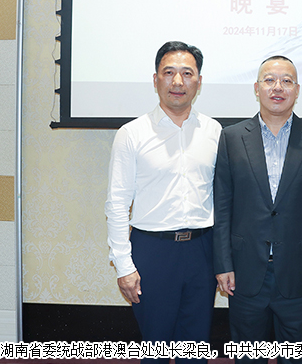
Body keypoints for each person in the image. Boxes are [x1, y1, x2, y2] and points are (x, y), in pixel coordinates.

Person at [213, 56, 302, 364]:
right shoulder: (231, 137)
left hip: (299, 270)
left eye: (286, 81)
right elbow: (223, 206)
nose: (277, 87)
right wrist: (223, 264)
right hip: (244, 271)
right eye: (269, 80)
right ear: (257, 88)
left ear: (297, 89)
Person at [105, 41, 221, 364]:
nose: (178, 81)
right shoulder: (132, 134)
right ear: (155, 79)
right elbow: (117, 204)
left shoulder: (214, 131)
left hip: (202, 251)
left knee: (195, 349)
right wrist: (124, 266)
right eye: (169, 73)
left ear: (199, 81)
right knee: (155, 349)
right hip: (153, 252)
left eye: (187, 73)